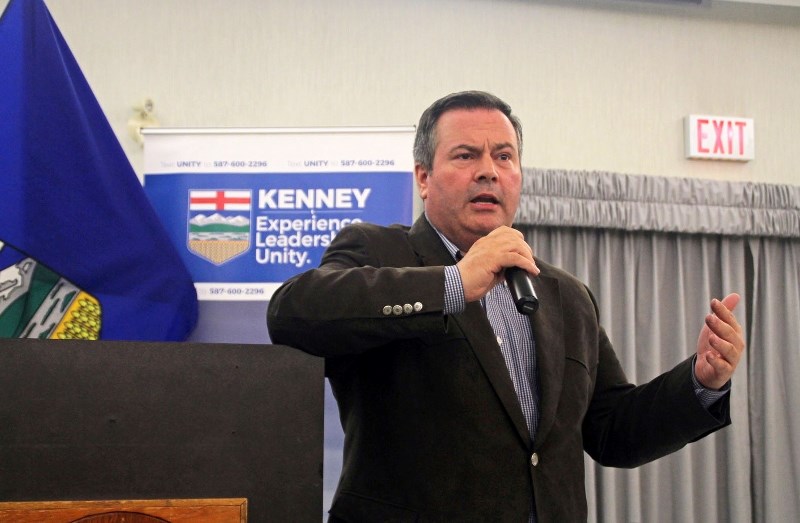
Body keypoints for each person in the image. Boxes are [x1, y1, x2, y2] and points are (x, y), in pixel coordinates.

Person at [267, 91, 745, 522]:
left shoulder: (566, 295)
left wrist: (701, 381)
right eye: (465, 155)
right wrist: (453, 283)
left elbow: (612, 431)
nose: (488, 170)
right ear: (423, 178)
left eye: (503, 156)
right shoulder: (377, 252)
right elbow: (292, 313)